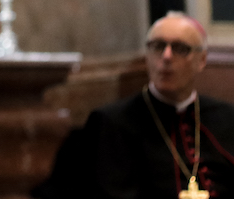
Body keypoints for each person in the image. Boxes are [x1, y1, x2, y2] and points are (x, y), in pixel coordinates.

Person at [33, 12, 234, 198]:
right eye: (157, 46)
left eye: (180, 49)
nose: (166, 57)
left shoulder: (227, 117)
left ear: (202, 60)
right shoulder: (110, 123)